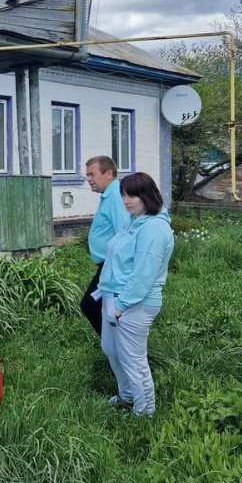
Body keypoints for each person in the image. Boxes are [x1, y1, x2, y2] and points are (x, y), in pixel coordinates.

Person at [98, 172, 174, 417]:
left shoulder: (154, 228)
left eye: (132, 195)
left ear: (147, 195)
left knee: (133, 360)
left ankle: (144, 412)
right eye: (123, 195)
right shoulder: (135, 221)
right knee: (112, 349)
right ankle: (127, 395)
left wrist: (121, 304)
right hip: (115, 298)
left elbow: (144, 274)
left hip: (133, 303)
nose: (126, 201)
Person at [81, 156, 131, 337]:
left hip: (112, 265)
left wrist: (118, 269)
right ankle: (115, 349)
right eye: (87, 175)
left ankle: (120, 347)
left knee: (89, 305)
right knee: (100, 307)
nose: (89, 179)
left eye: (92, 174)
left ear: (108, 173)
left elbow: (124, 233)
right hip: (108, 264)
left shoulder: (116, 196)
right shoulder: (109, 195)